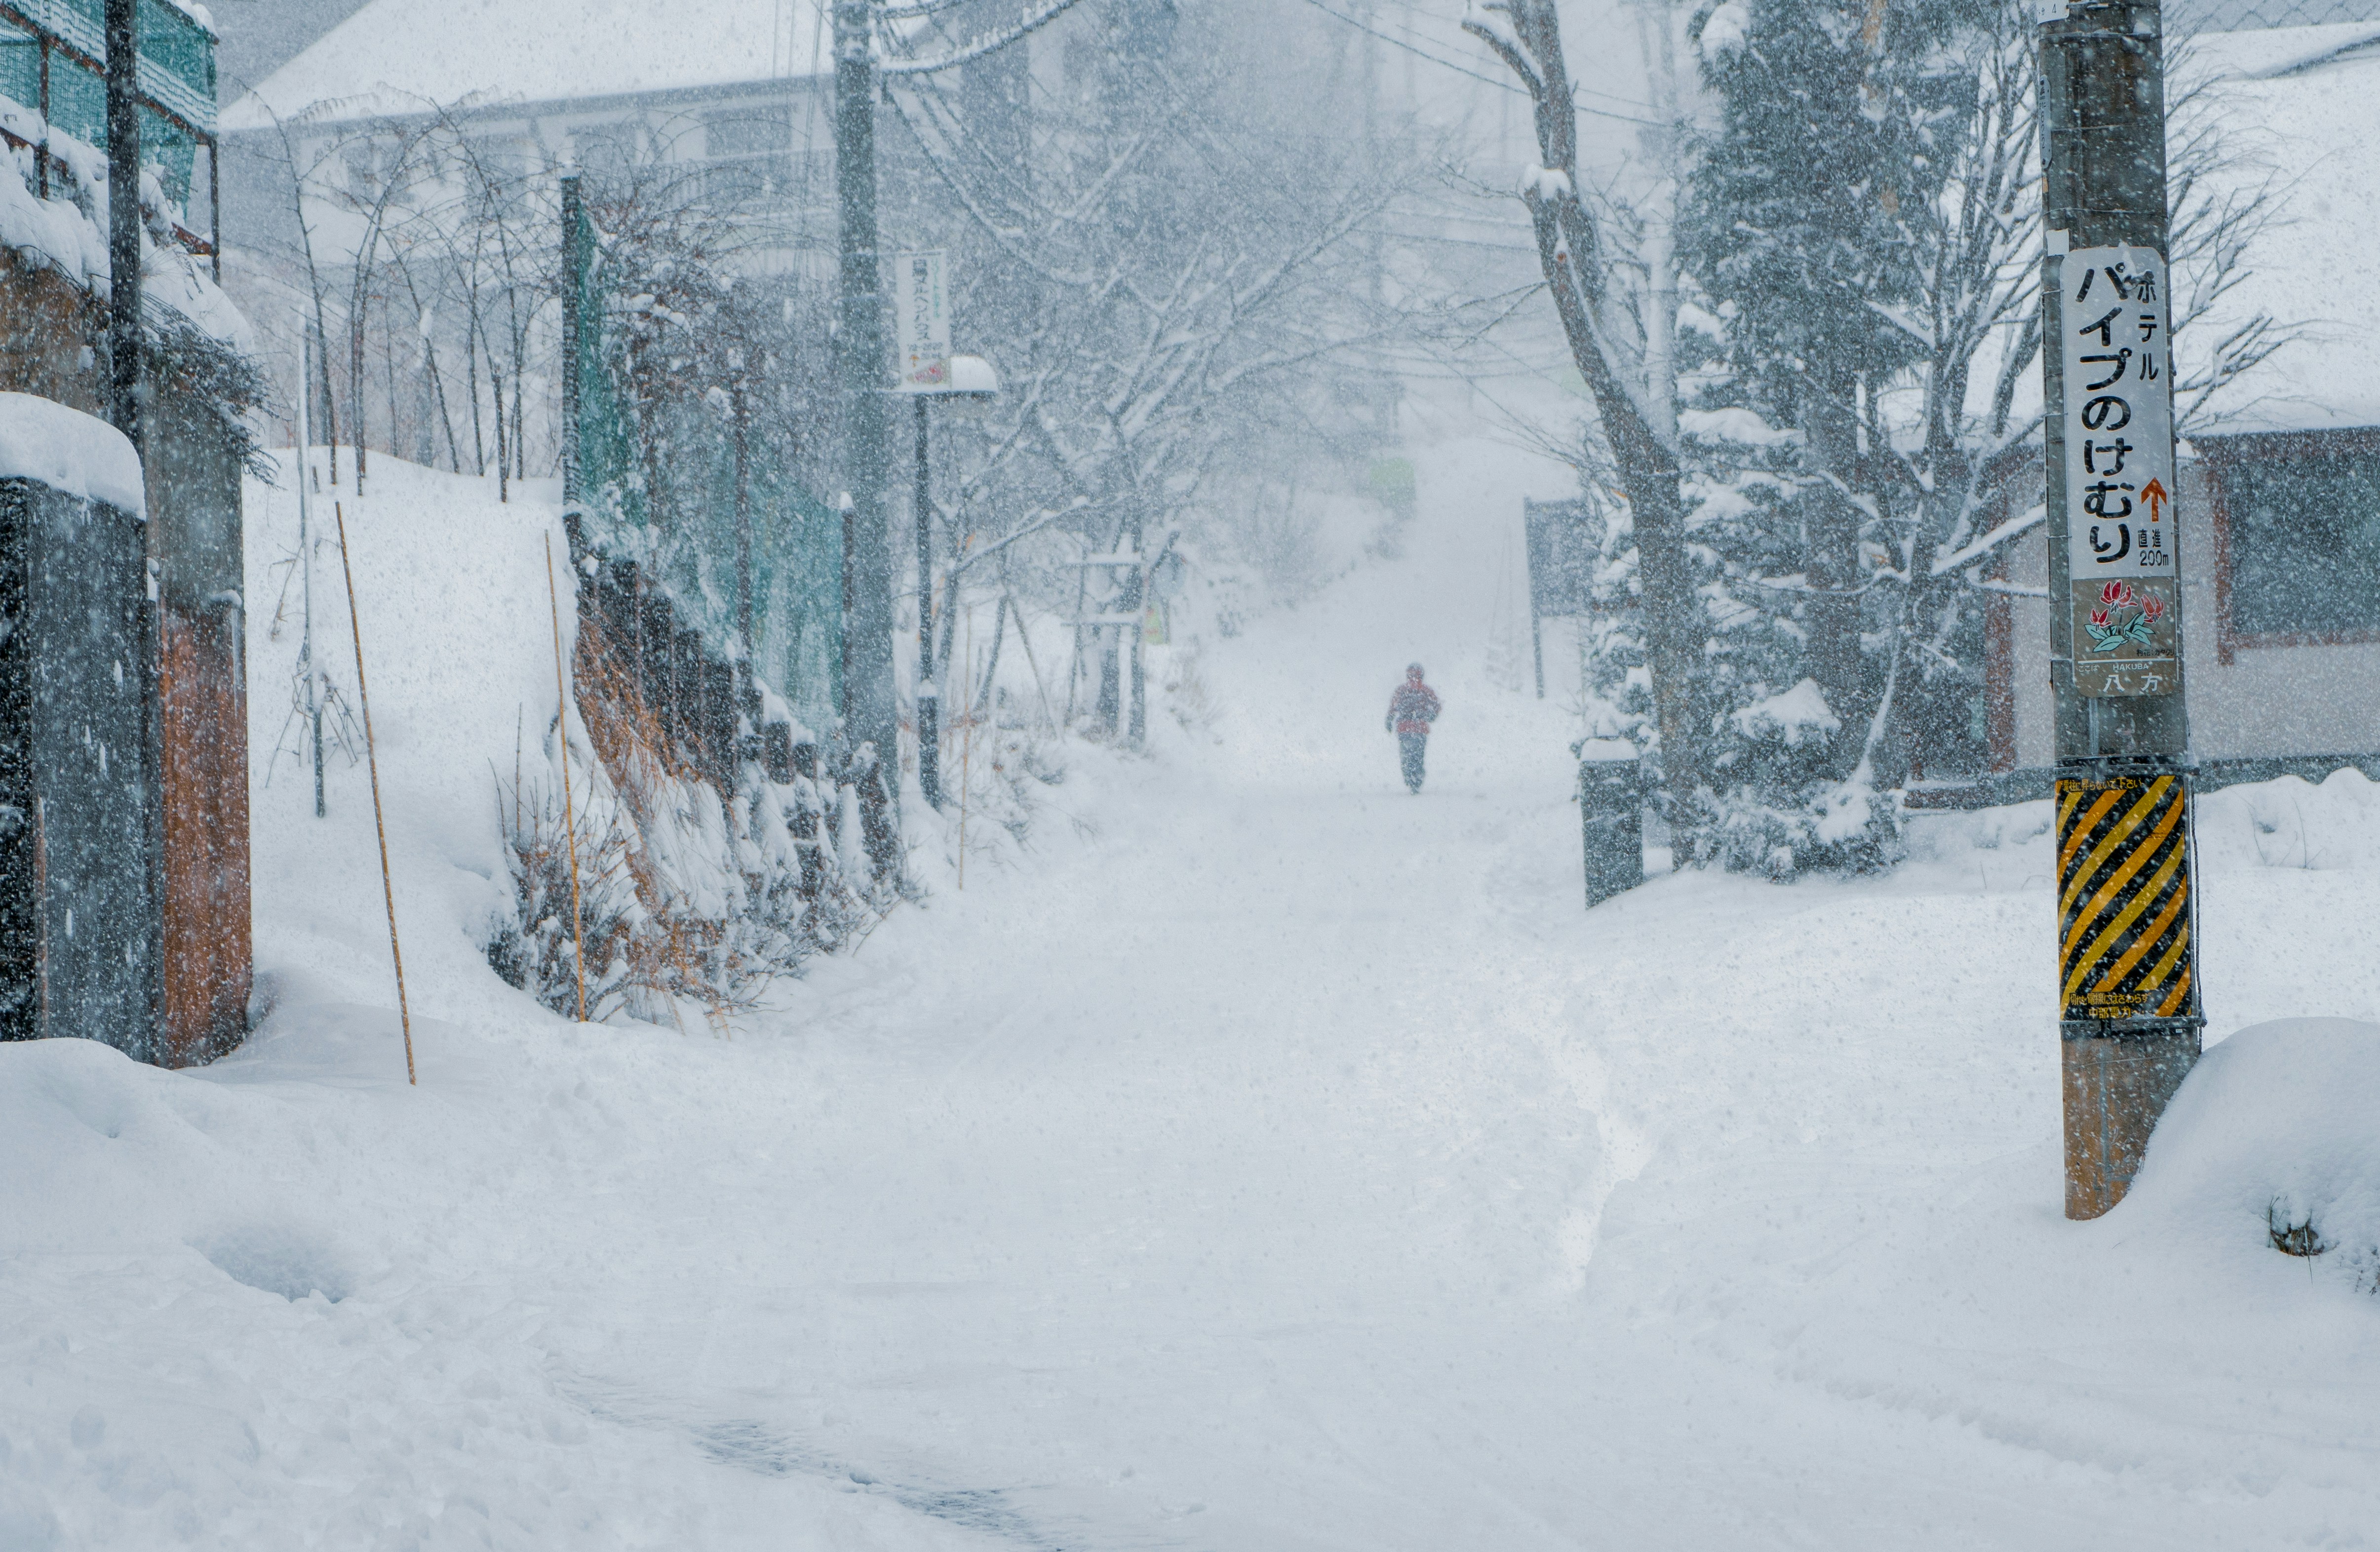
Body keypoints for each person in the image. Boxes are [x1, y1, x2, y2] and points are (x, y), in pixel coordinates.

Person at [1385, 663, 1442, 793]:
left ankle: (1410, 777)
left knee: (1407, 755)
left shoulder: (1402, 690)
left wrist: (1389, 719)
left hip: (1404, 729)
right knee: (1418, 755)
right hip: (1420, 729)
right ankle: (1416, 779)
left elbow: (1393, 708)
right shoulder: (1426, 691)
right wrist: (1431, 716)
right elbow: (1437, 706)